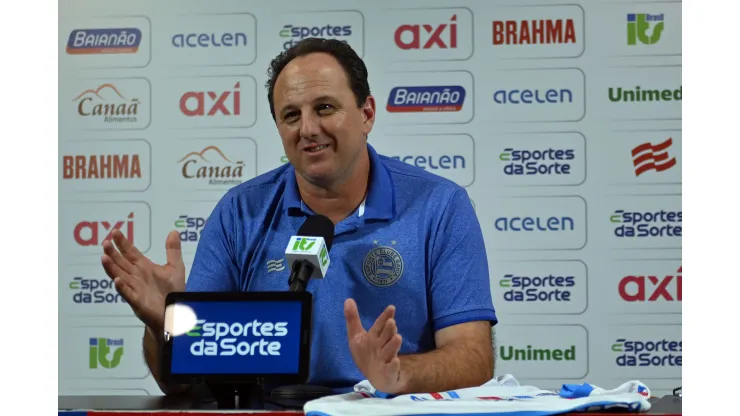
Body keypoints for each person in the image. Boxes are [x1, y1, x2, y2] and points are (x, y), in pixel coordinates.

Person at [101, 37, 498, 397]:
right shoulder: (241, 212)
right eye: (291, 116)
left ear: (367, 113)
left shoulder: (439, 205)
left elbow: (473, 357)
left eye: (324, 107)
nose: (308, 129)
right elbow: (180, 384)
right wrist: (164, 326)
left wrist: (399, 374)